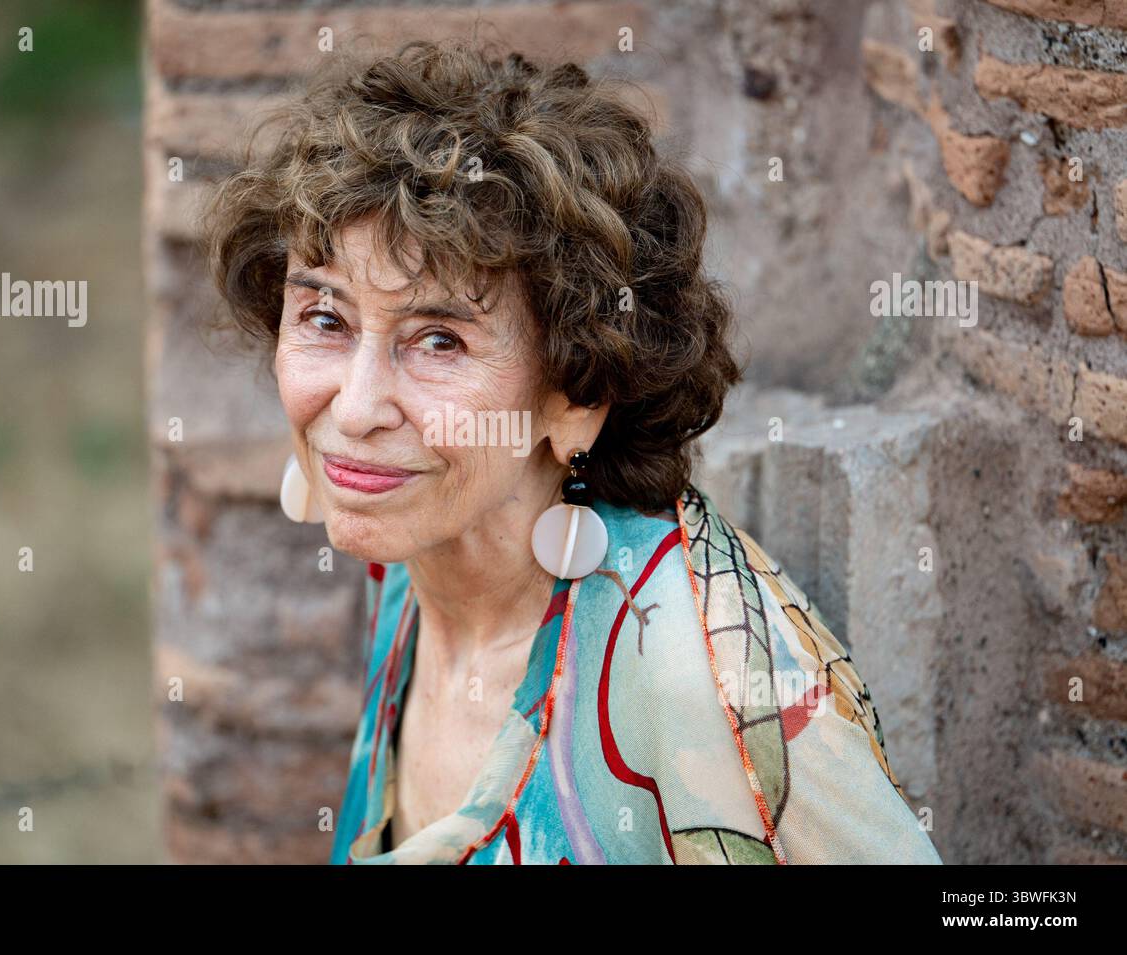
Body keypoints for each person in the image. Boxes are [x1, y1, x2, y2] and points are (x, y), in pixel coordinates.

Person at [206, 38, 943, 865]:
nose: (357, 405)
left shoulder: (688, 665)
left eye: (440, 340)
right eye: (326, 320)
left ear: (578, 395)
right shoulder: (411, 551)